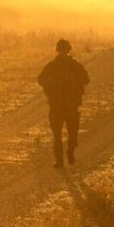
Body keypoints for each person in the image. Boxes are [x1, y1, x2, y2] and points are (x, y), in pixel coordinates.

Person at [37, 39, 90, 168]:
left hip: (64, 105)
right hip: (62, 105)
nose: (62, 53)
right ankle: (61, 159)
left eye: (63, 50)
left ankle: (68, 153)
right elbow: (41, 79)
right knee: (59, 135)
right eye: (62, 50)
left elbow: (86, 79)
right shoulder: (71, 65)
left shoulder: (54, 66)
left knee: (67, 134)